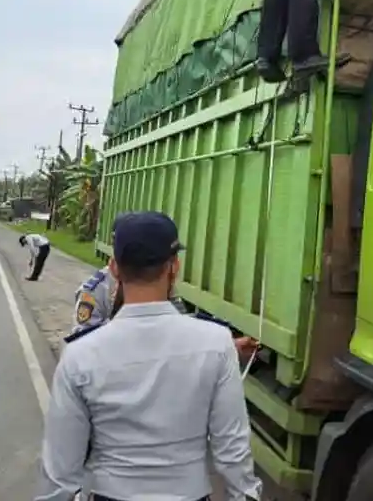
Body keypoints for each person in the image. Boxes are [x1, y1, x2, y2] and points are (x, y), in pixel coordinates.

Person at [36, 211, 262, 501]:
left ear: (115, 268)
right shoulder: (216, 343)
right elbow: (232, 447)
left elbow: (60, 469)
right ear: (174, 266)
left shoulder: (80, 356)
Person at [72, 246, 260, 365]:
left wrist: (227, 347)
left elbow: (178, 333)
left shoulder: (163, 287)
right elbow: (83, 347)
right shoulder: (97, 291)